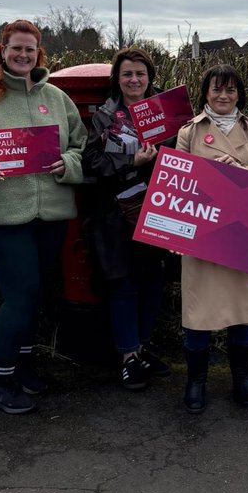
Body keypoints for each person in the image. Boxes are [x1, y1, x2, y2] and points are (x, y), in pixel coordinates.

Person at [0, 19, 86, 414]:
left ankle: (22, 368)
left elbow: (80, 146)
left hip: (51, 213)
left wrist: (68, 164)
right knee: (20, 296)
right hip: (2, 216)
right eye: (15, 48)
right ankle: (0, 382)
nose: (22, 55)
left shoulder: (57, 98)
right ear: (2, 52)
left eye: (30, 49)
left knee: (34, 295)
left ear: (39, 54)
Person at [175, 64, 248, 414]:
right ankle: (196, 382)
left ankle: (242, 378)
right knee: (198, 312)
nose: (223, 96)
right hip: (202, 235)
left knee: (242, 310)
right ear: (205, 93)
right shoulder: (188, 132)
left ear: (239, 95)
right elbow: (178, 180)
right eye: (216, 89)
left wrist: (237, 170)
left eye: (230, 90)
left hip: (241, 234)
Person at [82, 47, 172, 390]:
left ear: (149, 78)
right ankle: (128, 357)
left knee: (152, 281)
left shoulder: (164, 113)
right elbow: (90, 163)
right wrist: (130, 163)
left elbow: (182, 154)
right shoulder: (105, 116)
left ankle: (143, 347)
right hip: (117, 213)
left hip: (158, 207)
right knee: (122, 283)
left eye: (140, 74)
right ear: (117, 80)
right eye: (127, 74)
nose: (134, 80)